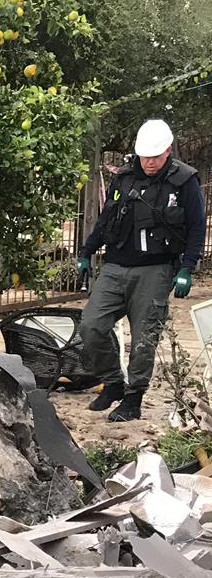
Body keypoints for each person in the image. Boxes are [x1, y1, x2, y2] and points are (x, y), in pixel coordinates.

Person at [77, 119, 205, 423]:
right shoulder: (124, 177)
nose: (149, 162)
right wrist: (86, 252)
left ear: (168, 151)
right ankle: (113, 383)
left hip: (155, 270)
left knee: (144, 338)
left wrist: (187, 268)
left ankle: (133, 398)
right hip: (115, 265)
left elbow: (197, 227)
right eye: (144, 156)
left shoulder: (184, 181)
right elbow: (106, 219)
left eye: (155, 157)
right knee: (91, 326)